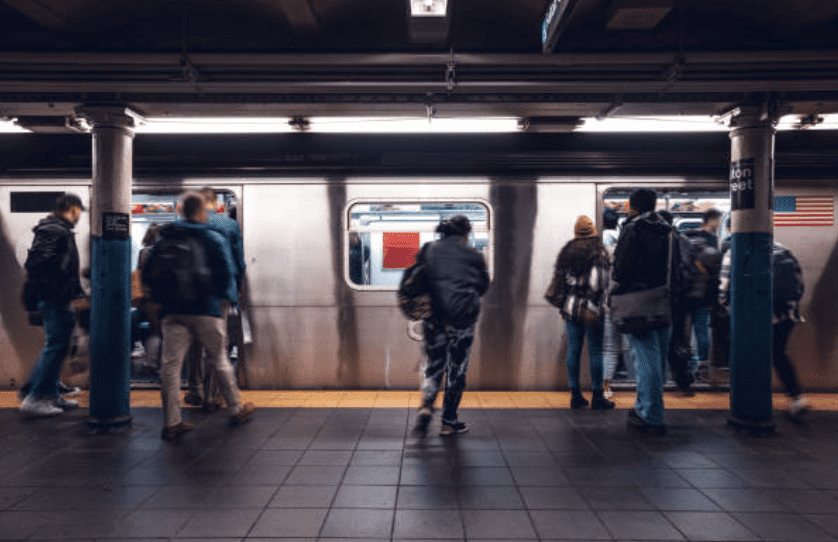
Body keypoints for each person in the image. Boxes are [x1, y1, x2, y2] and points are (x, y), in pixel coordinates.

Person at [142, 192, 254, 441]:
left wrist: (163, 302)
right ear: (202, 211)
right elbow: (227, 272)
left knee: (170, 367)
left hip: (173, 312)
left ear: (182, 210)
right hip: (206, 309)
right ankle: (235, 408)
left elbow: (148, 273)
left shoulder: (165, 237)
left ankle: (172, 422)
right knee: (219, 358)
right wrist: (221, 295)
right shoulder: (212, 237)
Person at [412, 215, 490, 437]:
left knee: (433, 367)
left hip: (434, 320)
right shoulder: (473, 255)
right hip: (462, 321)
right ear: (465, 233)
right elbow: (482, 286)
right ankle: (448, 421)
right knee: (457, 371)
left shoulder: (428, 249)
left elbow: (419, 279)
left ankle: (426, 405)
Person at [612, 188, 681, 435]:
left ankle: (652, 416)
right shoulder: (669, 230)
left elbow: (620, 269)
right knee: (657, 359)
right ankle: (644, 407)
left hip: (638, 303)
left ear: (633, 207)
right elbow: (677, 269)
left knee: (645, 359)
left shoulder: (632, 228)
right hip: (664, 299)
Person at [719, 241, 809, 417]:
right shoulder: (783, 248)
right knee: (778, 354)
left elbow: (723, 289)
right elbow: (799, 284)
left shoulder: (734, 251)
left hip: (754, 317)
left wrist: (734, 313)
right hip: (785, 315)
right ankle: (797, 397)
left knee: (749, 357)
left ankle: (752, 403)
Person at [19, 193, 86, 416]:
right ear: (74, 209)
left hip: (58, 297)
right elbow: (39, 263)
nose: (79, 217)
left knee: (59, 344)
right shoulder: (54, 230)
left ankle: (49, 393)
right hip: (54, 298)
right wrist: (58, 290)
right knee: (56, 344)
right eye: (79, 212)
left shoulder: (58, 230)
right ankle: (35, 397)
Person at [182, 188, 247, 409]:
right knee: (216, 344)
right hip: (221, 293)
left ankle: (195, 390)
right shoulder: (228, 225)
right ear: (217, 202)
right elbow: (238, 262)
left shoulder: (187, 224)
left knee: (193, 344)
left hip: (191, 294)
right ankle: (211, 395)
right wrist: (237, 290)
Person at [551, 215, 615, 410]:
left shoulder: (567, 251)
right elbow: (600, 284)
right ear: (593, 231)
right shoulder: (599, 252)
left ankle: (575, 395)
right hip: (591, 307)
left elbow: (560, 279)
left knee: (574, 349)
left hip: (570, 306)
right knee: (595, 350)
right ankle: (597, 396)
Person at [679, 208, 723, 382]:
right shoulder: (710, 240)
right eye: (718, 221)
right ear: (711, 220)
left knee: (685, 332)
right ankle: (702, 367)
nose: (719, 224)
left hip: (684, 293)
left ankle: (685, 367)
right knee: (702, 331)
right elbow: (713, 269)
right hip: (703, 294)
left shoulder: (685, 237)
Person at [601, 207, 629, 397]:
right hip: (623, 302)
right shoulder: (622, 248)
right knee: (622, 346)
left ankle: (604, 386)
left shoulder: (599, 248)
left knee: (607, 347)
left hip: (604, 302)